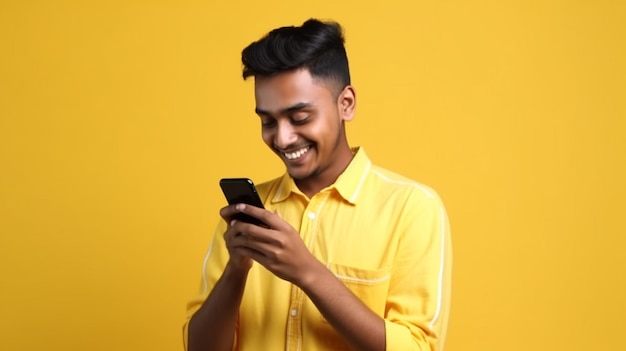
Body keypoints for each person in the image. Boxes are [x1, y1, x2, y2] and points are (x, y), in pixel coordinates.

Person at [184, 18, 452, 351]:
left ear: (346, 104)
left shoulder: (412, 208)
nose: (281, 137)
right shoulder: (251, 215)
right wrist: (236, 270)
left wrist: (307, 272)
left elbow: (417, 348)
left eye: (300, 117)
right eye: (267, 121)